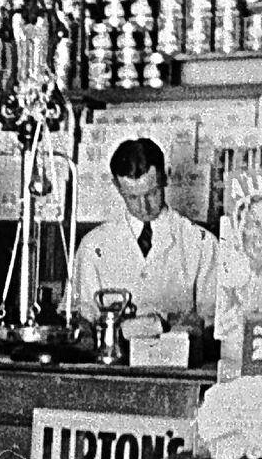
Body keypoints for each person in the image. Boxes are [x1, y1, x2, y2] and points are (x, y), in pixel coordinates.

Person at [73, 137, 217, 330]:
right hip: (114, 357)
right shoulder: (94, 245)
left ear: (165, 178)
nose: (144, 206)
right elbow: (82, 316)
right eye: (132, 197)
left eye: (151, 193)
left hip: (176, 356)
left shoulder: (201, 242)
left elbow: (214, 319)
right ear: (117, 186)